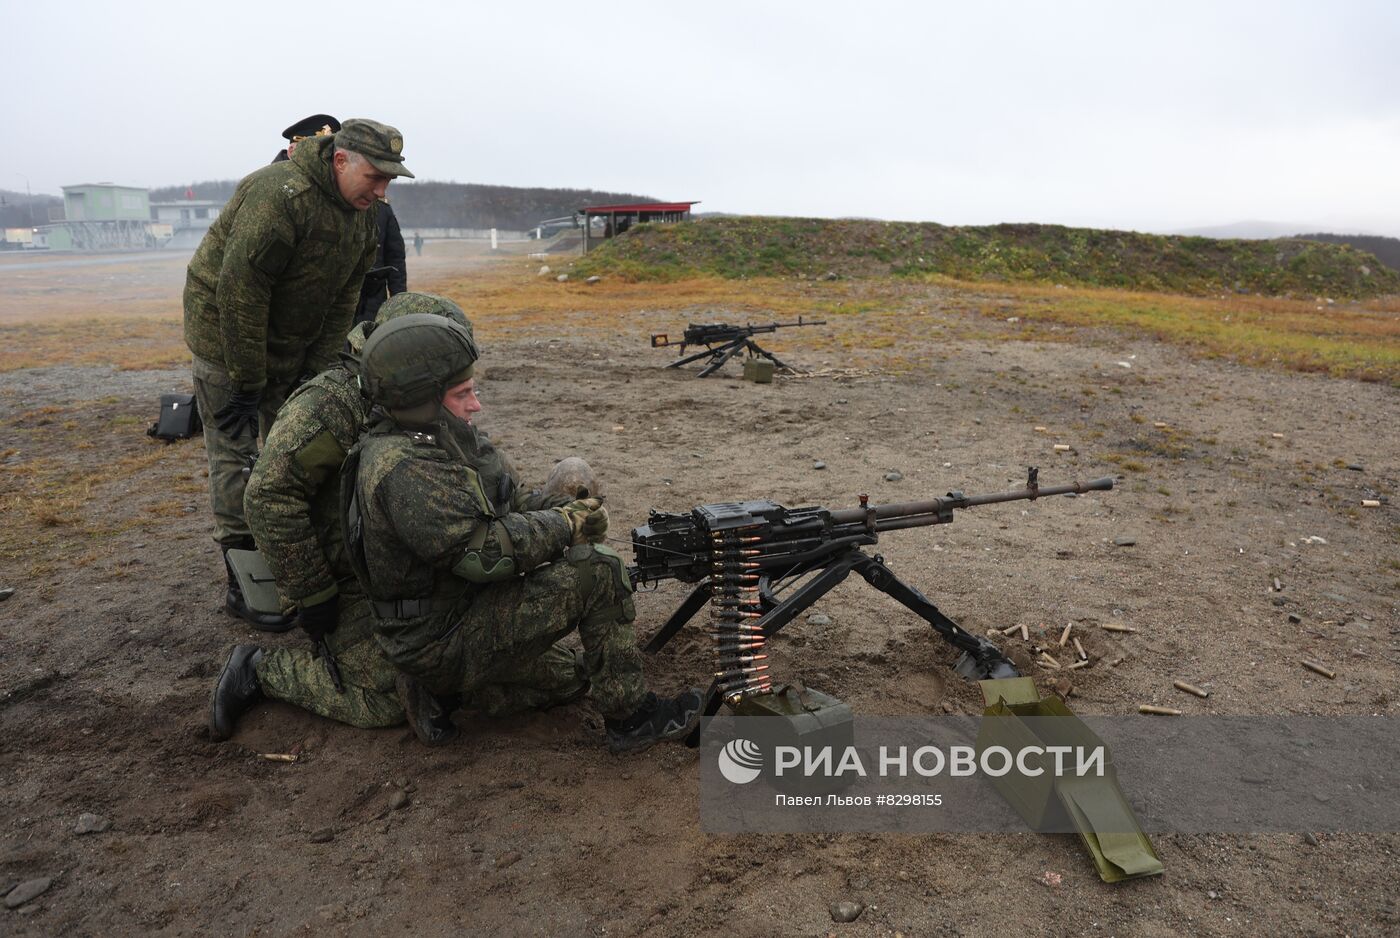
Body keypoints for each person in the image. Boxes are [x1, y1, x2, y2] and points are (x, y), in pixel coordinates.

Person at [209, 294, 591, 742]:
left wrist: (551, 513)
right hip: (354, 582)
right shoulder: (331, 405)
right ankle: (260, 669)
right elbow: (270, 495)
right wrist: (313, 593)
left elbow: (486, 479)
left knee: (558, 676)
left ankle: (442, 686)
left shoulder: (429, 400)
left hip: (423, 565)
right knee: (388, 699)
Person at [345, 314, 702, 752]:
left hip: (454, 616)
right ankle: (632, 719)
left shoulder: (438, 438)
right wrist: (565, 524)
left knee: (573, 680)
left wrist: (568, 510)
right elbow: (485, 553)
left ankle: (443, 695)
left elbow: (508, 502)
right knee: (599, 572)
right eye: (462, 394)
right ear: (422, 400)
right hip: (438, 639)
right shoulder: (406, 470)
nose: (476, 404)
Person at [183, 117, 414, 629]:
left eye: (389, 181)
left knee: (297, 447)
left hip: (290, 343)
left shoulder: (360, 217)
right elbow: (240, 291)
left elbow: (342, 303)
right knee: (238, 455)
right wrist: (247, 381)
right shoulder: (279, 196)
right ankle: (246, 582)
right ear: (339, 160)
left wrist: (316, 375)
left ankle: (306, 560)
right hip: (227, 342)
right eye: (374, 177)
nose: (381, 191)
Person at [354, 199, 407, 325]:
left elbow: (395, 258)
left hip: (372, 295)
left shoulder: (383, 211)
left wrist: (398, 299)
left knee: (368, 339)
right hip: (333, 296)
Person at [271, 114, 340, 164]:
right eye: (316, 152)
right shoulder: (269, 181)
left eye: (329, 152)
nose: (325, 157)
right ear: (292, 152)